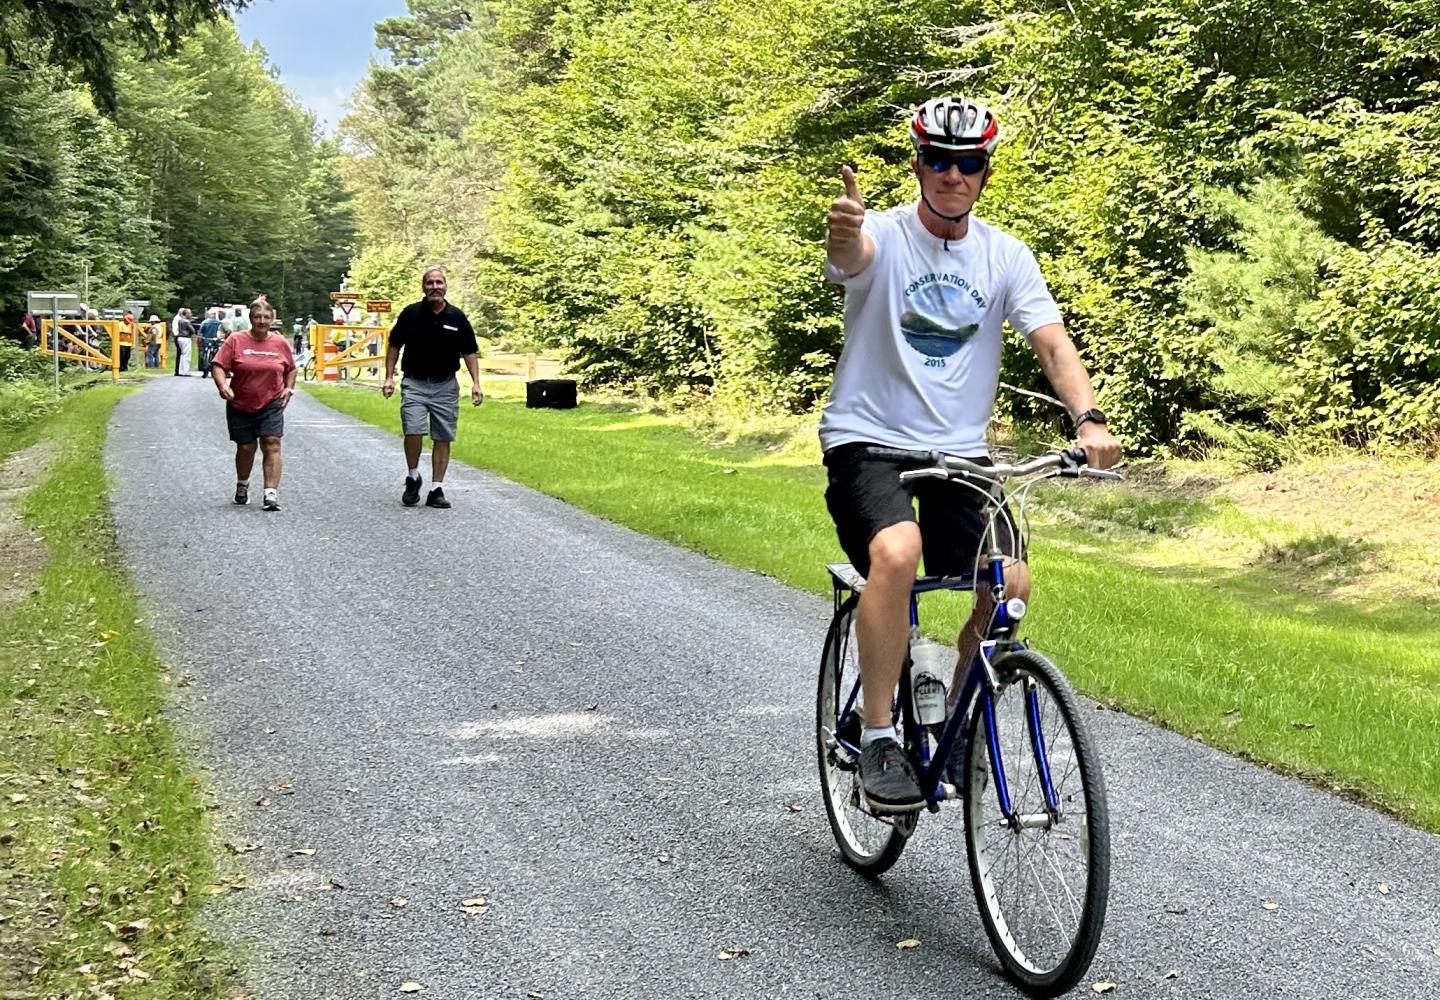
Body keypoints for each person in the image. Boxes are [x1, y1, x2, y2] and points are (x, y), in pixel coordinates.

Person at [820, 96, 1123, 813]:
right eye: (938, 160)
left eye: (969, 163)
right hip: (867, 441)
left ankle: (958, 723)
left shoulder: (1004, 254)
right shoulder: (883, 236)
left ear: (985, 172)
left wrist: (1090, 419)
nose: (952, 175)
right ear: (917, 164)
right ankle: (878, 736)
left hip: (958, 453)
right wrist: (842, 235)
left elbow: (1051, 342)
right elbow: (850, 259)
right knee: (898, 551)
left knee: (1010, 581)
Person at [382, 266, 483, 509]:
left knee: (442, 436)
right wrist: (388, 377)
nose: (435, 287)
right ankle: (413, 476)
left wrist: (476, 383)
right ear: (423, 287)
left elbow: (469, 352)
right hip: (414, 383)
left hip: (445, 386)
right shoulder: (411, 314)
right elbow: (394, 346)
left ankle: (436, 489)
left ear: (445, 286)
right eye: (430, 283)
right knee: (413, 430)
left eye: (439, 283)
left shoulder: (457, 318)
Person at [211, 297, 296, 512]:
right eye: (257, 317)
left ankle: (271, 494)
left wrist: (288, 387)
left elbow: (291, 369)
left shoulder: (279, 342)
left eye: (266, 317)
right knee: (246, 447)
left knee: (272, 442)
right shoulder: (236, 340)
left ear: (272, 320)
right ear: (250, 318)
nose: (262, 321)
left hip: (271, 401)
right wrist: (223, 386)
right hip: (240, 402)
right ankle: (242, 484)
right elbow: (219, 365)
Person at [198, 308, 224, 375]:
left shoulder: (204, 322)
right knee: (215, 354)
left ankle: (204, 365)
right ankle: (213, 369)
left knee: (204, 352)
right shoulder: (219, 323)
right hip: (215, 340)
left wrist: (200, 339)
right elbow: (220, 331)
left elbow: (200, 332)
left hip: (206, 340)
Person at [172, 308, 196, 376]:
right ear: (186, 314)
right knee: (186, 355)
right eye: (189, 313)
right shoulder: (186, 321)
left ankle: (180, 370)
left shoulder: (179, 320)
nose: (191, 314)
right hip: (186, 338)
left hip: (179, 338)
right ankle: (186, 371)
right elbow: (192, 330)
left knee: (182, 355)